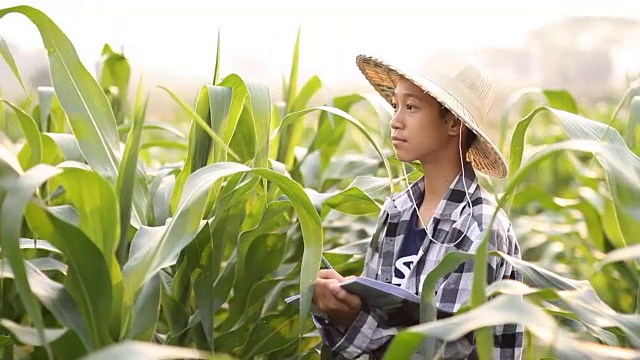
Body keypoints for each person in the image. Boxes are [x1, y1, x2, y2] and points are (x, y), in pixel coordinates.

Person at [312, 52, 524, 359]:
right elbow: (379, 318)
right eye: (396, 105)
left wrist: (352, 320)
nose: (395, 121)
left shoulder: (480, 227)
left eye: (411, 107)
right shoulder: (397, 212)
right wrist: (342, 302)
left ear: (452, 122)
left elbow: (447, 349)